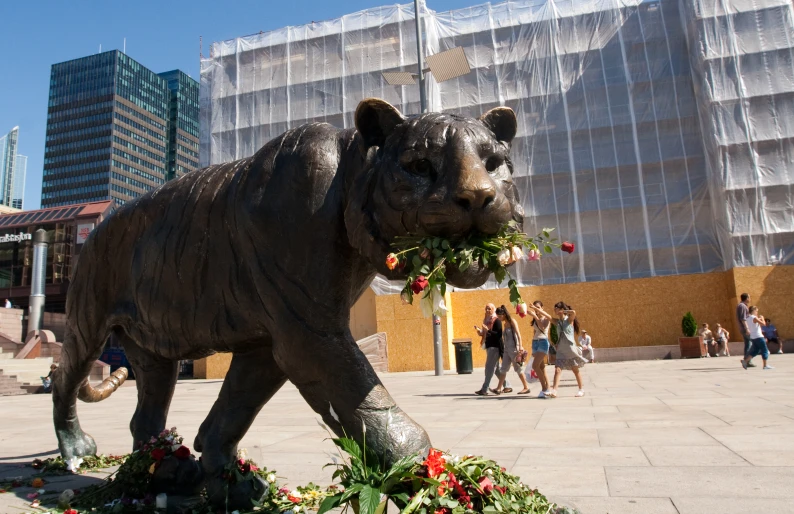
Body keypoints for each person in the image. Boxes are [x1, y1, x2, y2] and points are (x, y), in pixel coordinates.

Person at [547, 301, 588, 398]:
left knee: (575, 370)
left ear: (561, 309)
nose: (555, 309)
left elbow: (573, 312)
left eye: (557, 308)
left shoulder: (569, 320)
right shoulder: (557, 322)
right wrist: (537, 310)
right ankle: (554, 391)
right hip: (561, 349)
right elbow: (548, 317)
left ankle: (581, 389)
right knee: (557, 370)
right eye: (555, 308)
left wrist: (564, 311)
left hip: (570, 349)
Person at [490, 306, 531, 395]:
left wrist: (520, 346)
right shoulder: (505, 323)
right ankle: (498, 388)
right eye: (498, 316)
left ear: (504, 314)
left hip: (514, 348)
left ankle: (526, 387)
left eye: (500, 316)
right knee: (503, 369)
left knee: (518, 368)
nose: (499, 318)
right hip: (507, 349)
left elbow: (518, 334)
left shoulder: (512, 321)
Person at [474, 304, 511, 392]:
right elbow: (486, 333)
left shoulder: (496, 320)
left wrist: (488, 331)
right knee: (496, 369)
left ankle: (484, 388)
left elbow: (498, 334)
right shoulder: (486, 320)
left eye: (489, 308)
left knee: (489, 368)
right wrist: (481, 332)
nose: (487, 310)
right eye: (486, 308)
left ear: (493, 309)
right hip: (489, 346)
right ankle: (508, 385)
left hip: (495, 347)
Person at [526, 301, 553, 398]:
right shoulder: (535, 318)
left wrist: (535, 316)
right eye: (534, 307)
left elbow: (542, 326)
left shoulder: (545, 317)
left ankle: (544, 388)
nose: (536, 309)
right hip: (535, 342)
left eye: (537, 307)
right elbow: (535, 330)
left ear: (542, 307)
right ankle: (548, 388)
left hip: (543, 342)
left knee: (535, 365)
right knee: (542, 367)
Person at [737, 293, 755, 366]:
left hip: (743, 328)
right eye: (749, 297)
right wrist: (747, 328)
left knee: (748, 344)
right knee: (752, 344)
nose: (750, 299)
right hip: (745, 328)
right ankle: (747, 361)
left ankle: (747, 360)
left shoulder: (742, 306)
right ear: (747, 298)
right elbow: (743, 319)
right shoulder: (742, 306)